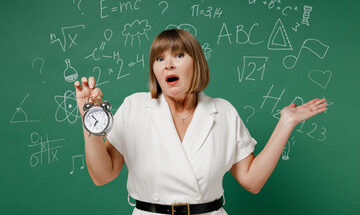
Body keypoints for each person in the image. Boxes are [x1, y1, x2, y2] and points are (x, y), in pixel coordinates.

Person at [74, 29, 328, 215]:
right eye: (159, 59)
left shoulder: (223, 112)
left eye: (179, 55)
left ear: (197, 63)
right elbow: (102, 176)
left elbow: (252, 182)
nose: (168, 64)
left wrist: (286, 123)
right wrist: (89, 118)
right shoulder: (135, 107)